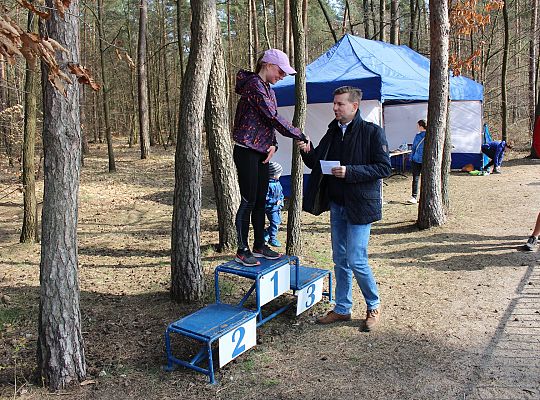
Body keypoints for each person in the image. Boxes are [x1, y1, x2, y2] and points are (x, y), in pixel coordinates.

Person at [296, 86, 392, 332]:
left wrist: (351, 172)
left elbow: (384, 168)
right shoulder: (332, 131)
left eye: (340, 104)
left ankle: (373, 305)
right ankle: (342, 309)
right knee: (340, 259)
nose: (335, 108)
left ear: (354, 106)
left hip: (360, 206)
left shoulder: (373, 133)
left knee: (356, 259)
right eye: (334, 103)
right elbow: (318, 162)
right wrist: (307, 151)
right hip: (337, 205)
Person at [232, 48, 308, 267]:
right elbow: (273, 116)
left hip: (262, 152)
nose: (282, 77)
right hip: (246, 150)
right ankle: (241, 249)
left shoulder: (268, 89)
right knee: (248, 200)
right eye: (281, 72)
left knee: (260, 199)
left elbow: (267, 122)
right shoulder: (254, 85)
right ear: (268, 65)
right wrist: (299, 134)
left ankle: (258, 246)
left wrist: (273, 144)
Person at [264, 162, 284, 247]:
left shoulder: (277, 183)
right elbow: (266, 197)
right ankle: (272, 238)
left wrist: (281, 200)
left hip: (277, 207)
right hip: (270, 207)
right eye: (279, 173)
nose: (280, 174)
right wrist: (274, 202)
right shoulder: (268, 185)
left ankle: (266, 234)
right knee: (275, 222)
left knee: (278, 221)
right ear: (274, 174)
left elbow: (281, 193)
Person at [408, 119, 427, 204]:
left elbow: (414, 147)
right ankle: (424, 197)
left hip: (416, 160)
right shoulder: (431, 135)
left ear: (420, 126)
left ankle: (414, 196)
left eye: (417, 126)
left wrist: (411, 157)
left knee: (415, 179)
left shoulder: (418, 136)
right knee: (426, 179)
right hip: (426, 160)